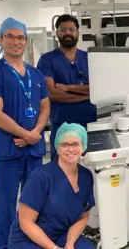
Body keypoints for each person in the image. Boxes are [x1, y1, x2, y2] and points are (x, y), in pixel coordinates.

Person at [0, 17, 50, 249]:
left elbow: (45, 106)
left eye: (20, 37)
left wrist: (36, 131)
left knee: (33, 204)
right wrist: (25, 134)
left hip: (34, 150)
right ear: (0, 39)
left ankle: (31, 244)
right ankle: (4, 246)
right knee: (7, 207)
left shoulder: (36, 74)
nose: (15, 41)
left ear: (26, 41)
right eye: (10, 36)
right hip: (8, 153)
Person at [8, 123, 95, 249]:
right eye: (64, 144)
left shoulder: (86, 176)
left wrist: (70, 243)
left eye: (75, 144)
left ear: (83, 146)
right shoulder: (40, 177)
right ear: (57, 147)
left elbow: (83, 216)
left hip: (61, 234)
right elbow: (26, 222)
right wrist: (54, 248)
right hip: (28, 239)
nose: (71, 149)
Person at [37, 14, 97, 161]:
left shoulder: (90, 58)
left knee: (89, 169)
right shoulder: (47, 60)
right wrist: (87, 93)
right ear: (57, 33)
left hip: (89, 124)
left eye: (71, 29)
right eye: (63, 29)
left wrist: (67, 87)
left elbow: (99, 87)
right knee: (61, 169)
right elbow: (53, 94)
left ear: (78, 32)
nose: (68, 33)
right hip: (61, 125)